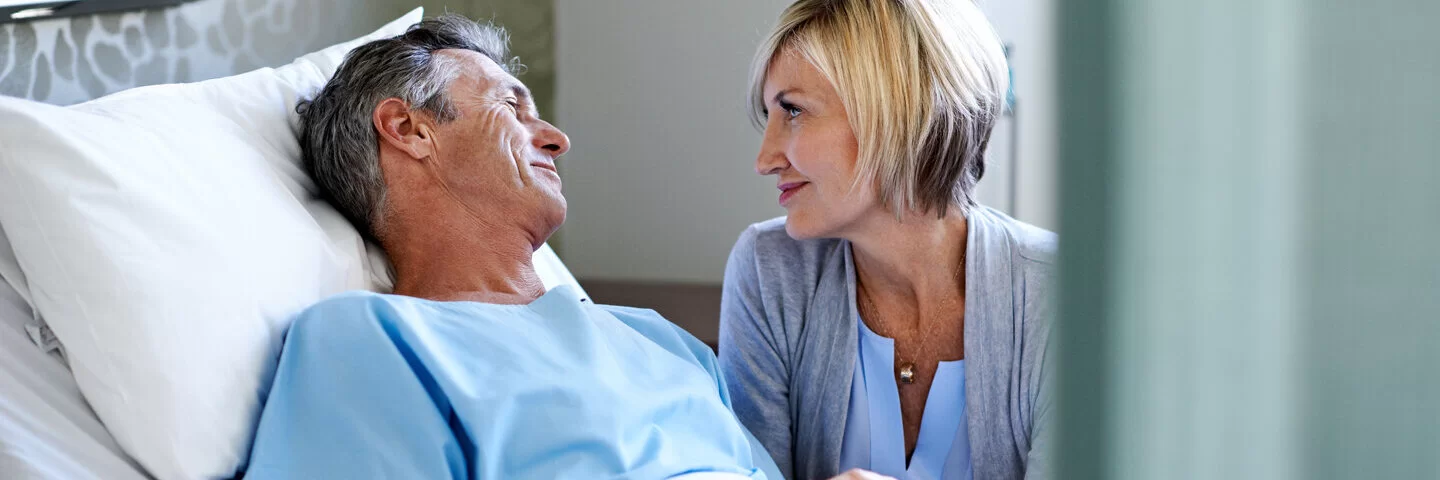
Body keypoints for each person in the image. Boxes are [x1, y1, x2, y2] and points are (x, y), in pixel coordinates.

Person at [241, 15, 784, 480]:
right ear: (408, 128)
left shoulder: (661, 340)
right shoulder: (369, 342)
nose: (555, 137)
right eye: (510, 106)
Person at [718, 1, 1056, 479]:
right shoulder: (770, 271)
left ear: (898, 111)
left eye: (792, 110)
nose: (765, 158)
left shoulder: (1057, 294)